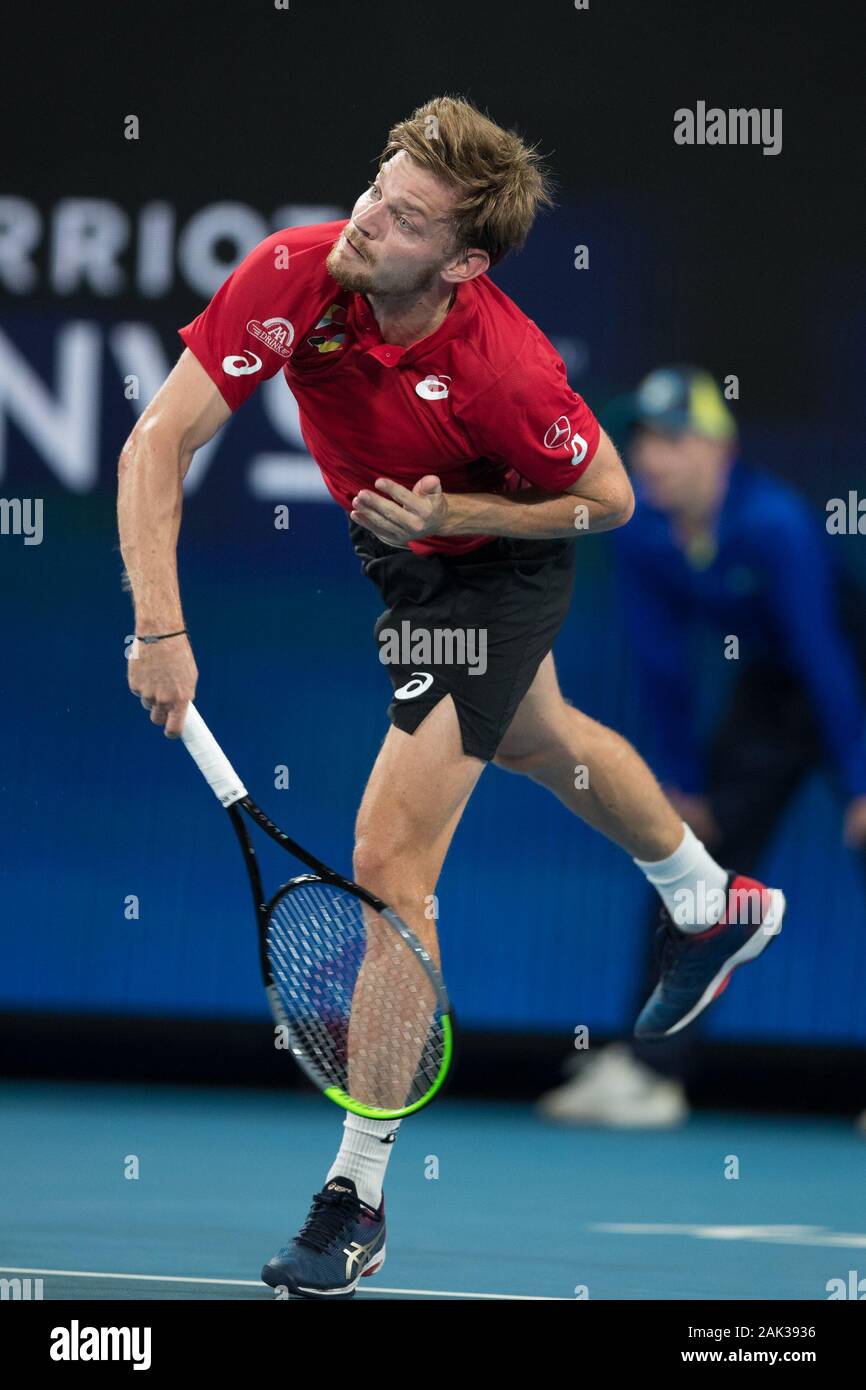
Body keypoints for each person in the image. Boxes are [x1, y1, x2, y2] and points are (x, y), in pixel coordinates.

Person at [118, 100, 783, 1299]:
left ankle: (355, 1197)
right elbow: (155, 445)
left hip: (493, 565)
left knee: (388, 861)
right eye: (377, 185)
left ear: (463, 259)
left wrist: (455, 513)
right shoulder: (295, 273)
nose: (370, 217)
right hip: (406, 562)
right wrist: (159, 625)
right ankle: (707, 896)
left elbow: (611, 500)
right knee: (542, 738)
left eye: (407, 216)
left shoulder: (502, 363)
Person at [538, 366, 866, 1128]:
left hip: (848, 680)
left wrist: (859, 782)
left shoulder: (774, 521)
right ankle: (652, 1072)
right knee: (690, 857)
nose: (650, 458)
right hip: (770, 698)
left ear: (720, 450)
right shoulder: (645, 533)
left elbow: (825, 657)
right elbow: (662, 670)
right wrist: (682, 783)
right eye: (643, 440)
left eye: (671, 440)